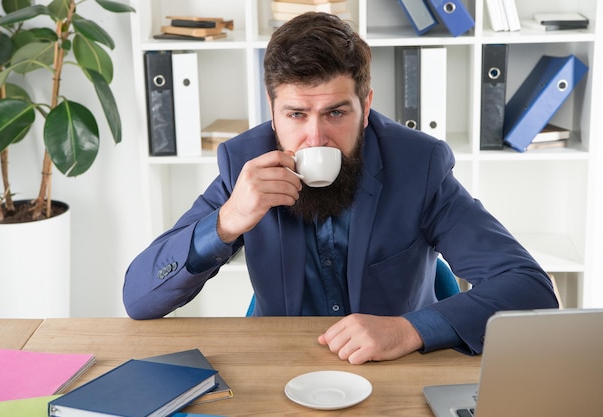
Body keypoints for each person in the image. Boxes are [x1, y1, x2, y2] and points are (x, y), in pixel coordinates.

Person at [123, 12, 558, 364]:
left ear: (366, 106)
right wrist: (226, 220)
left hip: (395, 363)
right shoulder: (244, 163)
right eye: (295, 115)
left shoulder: (418, 166)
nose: (315, 139)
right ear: (272, 113)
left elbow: (529, 288)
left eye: (336, 113)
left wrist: (408, 329)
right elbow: (138, 298)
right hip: (286, 363)